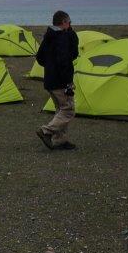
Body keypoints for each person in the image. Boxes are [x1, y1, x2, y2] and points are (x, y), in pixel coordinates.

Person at [35, 10, 80, 151]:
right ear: (64, 22)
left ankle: (61, 140)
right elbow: (66, 60)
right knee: (68, 110)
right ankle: (46, 131)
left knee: (60, 110)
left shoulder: (49, 35)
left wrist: (50, 66)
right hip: (60, 80)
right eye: (69, 22)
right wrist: (68, 82)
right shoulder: (63, 37)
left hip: (50, 79)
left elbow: (40, 57)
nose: (70, 25)